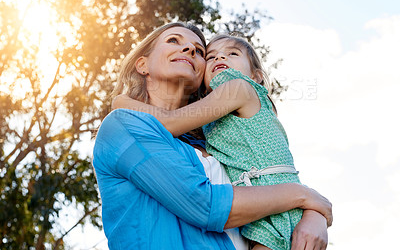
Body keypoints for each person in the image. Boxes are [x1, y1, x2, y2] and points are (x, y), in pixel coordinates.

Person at [93, 22, 332, 250]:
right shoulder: (122, 125)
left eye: (198, 51)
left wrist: (313, 214)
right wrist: (303, 196)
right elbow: (203, 204)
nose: (188, 49)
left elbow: (268, 183)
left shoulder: (218, 143)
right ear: (142, 64)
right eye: (174, 40)